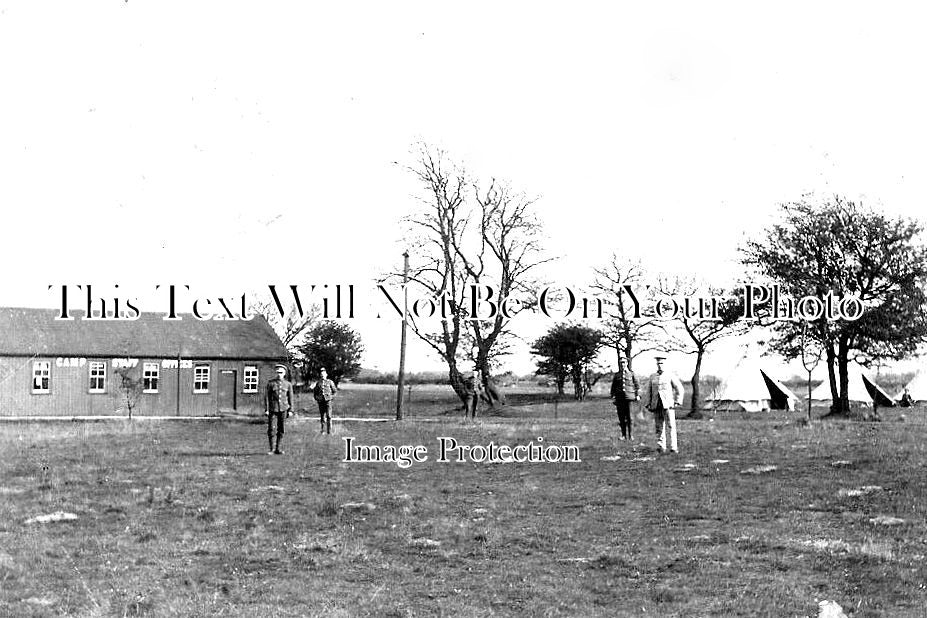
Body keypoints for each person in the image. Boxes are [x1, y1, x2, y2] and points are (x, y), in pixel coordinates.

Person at [646, 355, 684, 454]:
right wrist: (648, 403)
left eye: (661, 363)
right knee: (659, 427)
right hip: (656, 404)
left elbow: (679, 389)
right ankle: (661, 447)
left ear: (665, 364)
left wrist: (677, 401)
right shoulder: (652, 376)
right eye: (658, 363)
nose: (660, 365)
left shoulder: (670, 375)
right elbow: (649, 391)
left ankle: (673, 447)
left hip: (668, 405)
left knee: (671, 426)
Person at [265, 364, 293, 455]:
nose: (279, 374)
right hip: (273, 408)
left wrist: (291, 410)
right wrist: (267, 409)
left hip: (283, 408)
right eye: (277, 372)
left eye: (281, 372)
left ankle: (278, 448)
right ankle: (271, 449)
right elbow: (267, 397)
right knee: (271, 429)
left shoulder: (288, 384)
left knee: (281, 429)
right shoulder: (271, 383)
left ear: (284, 373)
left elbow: (290, 398)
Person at [610, 356, 640, 441]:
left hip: (630, 398)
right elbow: (613, 387)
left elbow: (637, 386)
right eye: (621, 363)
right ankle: (623, 435)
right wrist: (613, 397)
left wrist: (637, 395)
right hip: (620, 399)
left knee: (630, 417)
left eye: (624, 362)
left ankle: (631, 435)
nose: (622, 364)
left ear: (627, 363)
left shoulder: (632, 374)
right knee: (621, 417)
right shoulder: (617, 375)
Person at [313, 367, 337, 435]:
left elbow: (335, 391)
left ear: (326, 375)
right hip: (321, 402)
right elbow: (315, 393)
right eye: (321, 375)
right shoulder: (318, 383)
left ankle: (329, 431)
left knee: (329, 416)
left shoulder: (330, 382)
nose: (322, 376)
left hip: (328, 402)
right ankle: (322, 430)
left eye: (323, 375)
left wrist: (331, 397)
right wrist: (317, 398)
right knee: (322, 417)